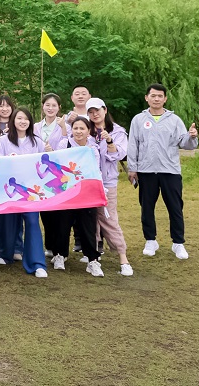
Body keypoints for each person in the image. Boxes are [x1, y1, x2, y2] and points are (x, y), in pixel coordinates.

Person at [127, 83, 198, 260]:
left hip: (170, 170)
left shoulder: (174, 120)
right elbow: (133, 144)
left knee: (175, 207)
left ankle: (178, 243)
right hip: (146, 171)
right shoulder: (138, 120)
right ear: (147, 98)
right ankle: (150, 240)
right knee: (147, 207)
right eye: (153, 96)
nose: (156, 99)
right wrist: (132, 168)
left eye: (160, 96)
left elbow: (185, 143)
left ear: (165, 99)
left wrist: (191, 136)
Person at [0, 107, 48, 278]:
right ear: (13, 121)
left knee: (32, 222)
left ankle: (37, 263)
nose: (23, 122)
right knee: (7, 224)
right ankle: (6, 253)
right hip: (8, 192)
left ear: (30, 122)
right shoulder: (2, 141)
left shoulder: (37, 142)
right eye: (19, 118)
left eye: (26, 119)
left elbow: (44, 165)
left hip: (31, 193)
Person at [51, 117, 105, 277]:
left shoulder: (92, 149)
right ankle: (60, 255)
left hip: (86, 193)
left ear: (88, 131)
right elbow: (59, 166)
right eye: (75, 128)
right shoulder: (64, 144)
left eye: (82, 128)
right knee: (62, 224)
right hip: (66, 192)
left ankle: (92, 260)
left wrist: (100, 190)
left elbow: (96, 170)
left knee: (88, 226)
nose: (79, 131)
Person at [86, 98, 133, 276]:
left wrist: (109, 141)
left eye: (97, 110)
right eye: (91, 112)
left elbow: (118, 155)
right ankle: (93, 257)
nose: (94, 114)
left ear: (105, 110)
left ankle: (123, 257)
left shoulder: (118, 131)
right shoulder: (86, 130)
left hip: (107, 183)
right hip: (88, 182)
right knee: (90, 220)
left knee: (109, 218)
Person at [36, 93, 67, 258]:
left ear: (59, 108)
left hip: (58, 175)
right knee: (45, 211)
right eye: (47, 105)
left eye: (54, 105)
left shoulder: (64, 126)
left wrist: (63, 128)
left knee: (58, 212)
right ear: (43, 106)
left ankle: (59, 248)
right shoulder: (35, 126)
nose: (50, 108)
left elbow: (68, 146)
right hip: (40, 174)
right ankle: (49, 245)